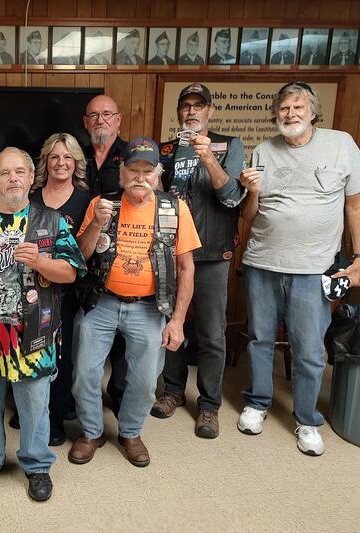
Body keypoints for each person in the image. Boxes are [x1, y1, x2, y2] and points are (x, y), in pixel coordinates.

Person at [237, 81, 360, 456]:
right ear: (276, 114)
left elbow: (356, 207)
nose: (290, 114)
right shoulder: (263, 150)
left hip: (315, 268)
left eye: (298, 107)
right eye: (284, 108)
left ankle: (307, 419)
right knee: (260, 339)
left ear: (313, 112)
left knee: (310, 349)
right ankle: (257, 403)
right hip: (262, 262)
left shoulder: (341, 144)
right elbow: (249, 216)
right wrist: (252, 191)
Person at [0, 147, 86, 502]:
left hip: (35, 335)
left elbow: (72, 272)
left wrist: (41, 262)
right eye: (5, 173)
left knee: (35, 406)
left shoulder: (53, 221)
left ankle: (37, 465)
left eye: (19, 172)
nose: (13, 178)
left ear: (30, 178)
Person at [69, 136, 200, 468]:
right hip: (101, 302)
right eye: (133, 170)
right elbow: (80, 257)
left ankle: (130, 432)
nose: (140, 177)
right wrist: (96, 223)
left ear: (157, 174)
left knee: (144, 381)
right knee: (84, 373)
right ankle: (91, 432)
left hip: (150, 307)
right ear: (122, 172)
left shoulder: (175, 209)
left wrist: (178, 320)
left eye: (147, 171)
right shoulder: (101, 204)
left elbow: (186, 268)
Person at [151, 83, 246, 438]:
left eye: (198, 105)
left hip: (211, 252)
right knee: (170, 324)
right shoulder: (166, 149)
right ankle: (174, 390)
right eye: (186, 106)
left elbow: (232, 197)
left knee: (210, 332)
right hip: (170, 251)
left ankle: (209, 405)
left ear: (210, 111)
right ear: (178, 112)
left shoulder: (228, 145)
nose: (191, 111)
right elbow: (156, 197)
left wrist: (208, 158)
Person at [29, 133, 92, 446]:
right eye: (54, 157)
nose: (61, 163)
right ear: (45, 161)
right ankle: (30, 411)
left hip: (66, 292)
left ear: (76, 162)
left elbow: (85, 252)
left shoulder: (85, 200)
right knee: (30, 351)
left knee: (61, 357)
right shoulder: (31, 197)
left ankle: (55, 418)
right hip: (30, 291)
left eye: (67, 157)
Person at [81, 95, 129, 410]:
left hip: (121, 252)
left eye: (107, 114)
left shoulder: (131, 155)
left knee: (122, 337)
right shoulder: (75, 156)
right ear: (85, 122)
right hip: (82, 247)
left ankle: (120, 393)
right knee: (87, 329)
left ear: (118, 119)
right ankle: (85, 399)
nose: (101, 120)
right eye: (94, 115)